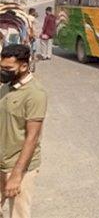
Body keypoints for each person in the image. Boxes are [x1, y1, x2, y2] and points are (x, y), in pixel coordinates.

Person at [0, 44, 47, 218]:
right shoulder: (7, 86)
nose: (3, 72)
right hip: (2, 162)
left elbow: (32, 137)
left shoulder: (35, 94)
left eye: (8, 68)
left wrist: (16, 175)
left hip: (20, 167)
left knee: (18, 214)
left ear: (24, 66)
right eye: (1, 67)